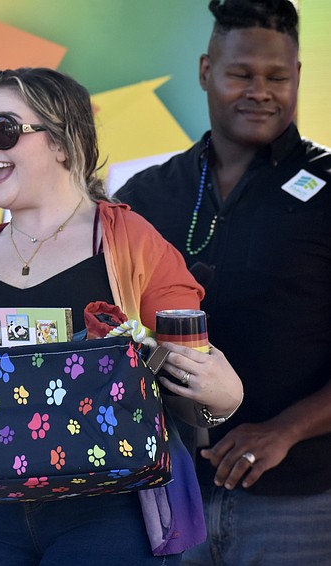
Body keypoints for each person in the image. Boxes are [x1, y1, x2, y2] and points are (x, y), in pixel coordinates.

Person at [0, 67, 243, 565]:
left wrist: (223, 396)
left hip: (109, 512)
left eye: (3, 129)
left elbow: (191, 395)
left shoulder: (133, 245)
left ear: (63, 144)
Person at [115, 1, 331, 563]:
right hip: (166, 495)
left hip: (300, 502)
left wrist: (285, 430)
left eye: (277, 77)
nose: (260, 91)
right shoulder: (146, 194)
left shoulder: (326, 188)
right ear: (206, 70)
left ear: (298, 76)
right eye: (241, 74)